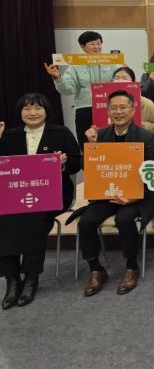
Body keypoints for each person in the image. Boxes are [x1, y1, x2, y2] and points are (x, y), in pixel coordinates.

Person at [73, 90, 154, 297]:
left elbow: (153, 173)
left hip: (138, 196)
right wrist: (91, 146)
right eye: (113, 108)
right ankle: (96, 269)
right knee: (85, 222)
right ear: (108, 111)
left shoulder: (146, 137)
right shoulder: (100, 135)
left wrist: (133, 197)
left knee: (124, 219)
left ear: (133, 109)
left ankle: (131, 267)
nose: (118, 112)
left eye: (123, 107)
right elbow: (90, 169)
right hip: (108, 194)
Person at [0, 93, 81, 309]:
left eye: (38, 108)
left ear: (46, 111)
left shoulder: (61, 133)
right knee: (3, 218)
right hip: (15, 196)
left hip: (53, 195)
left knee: (36, 218)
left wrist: (62, 164)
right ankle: (12, 279)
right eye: (27, 108)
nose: (32, 113)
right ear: (20, 112)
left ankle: (31, 277)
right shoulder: (10, 135)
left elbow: (76, 163)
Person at [43, 30, 119, 146]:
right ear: (83, 47)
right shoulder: (75, 66)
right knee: (87, 145)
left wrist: (125, 72)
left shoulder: (112, 63)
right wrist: (58, 77)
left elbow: (121, 83)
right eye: (92, 44)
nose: (97, 47)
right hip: (85, 109)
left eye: (99, 43)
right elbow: (68, 90)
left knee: (111, 142)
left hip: (109, 108)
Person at [112, 67, 154, 133]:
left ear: (133, 81)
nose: (120, 81)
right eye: (117, 78)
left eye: (125, 78)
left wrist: (142, 125)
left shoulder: (146, 103)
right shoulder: (105, 102)